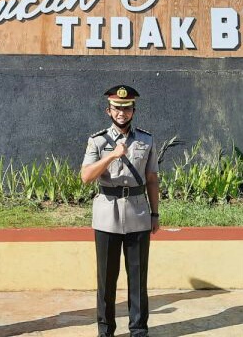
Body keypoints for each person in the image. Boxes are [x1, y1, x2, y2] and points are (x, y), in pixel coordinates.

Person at [81, 85, 160, 337]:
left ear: (133, 110)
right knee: (106, 278)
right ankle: (105, 330)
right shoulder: (97, 140)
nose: (121, 113)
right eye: (117, 108)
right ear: (108, 110)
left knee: (138, 277)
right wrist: (111, 156)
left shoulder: (146, 140)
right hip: (107, 215)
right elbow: (86, 176)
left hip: (138, 213)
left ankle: (139, 329)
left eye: (126, 108)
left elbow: (152, 179)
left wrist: (155, 214)